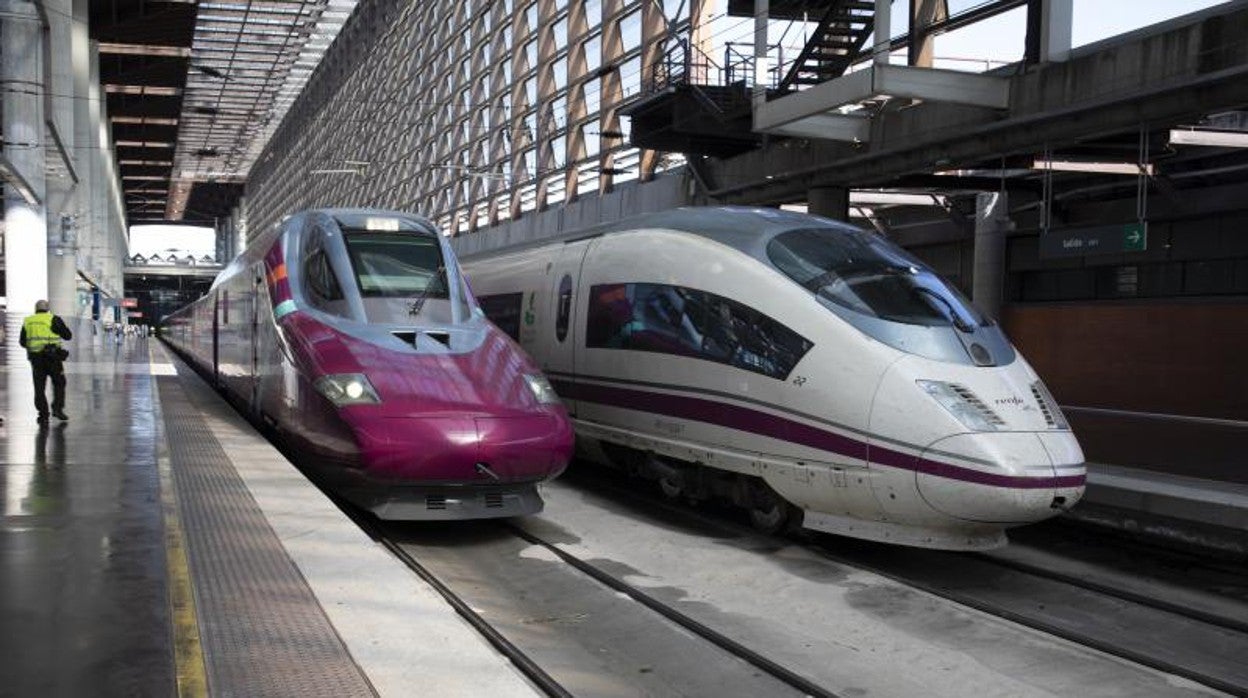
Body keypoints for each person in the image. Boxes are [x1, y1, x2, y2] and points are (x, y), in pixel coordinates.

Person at [19, 299, 72, 424]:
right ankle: (57, 409)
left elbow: (22, 342)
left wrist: (34, 346)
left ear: (35, 309)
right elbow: (68, 336)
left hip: (36, 359)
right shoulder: (53, 319)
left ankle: (43, 415)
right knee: (59, 383)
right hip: (52, 359)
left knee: (39, 387)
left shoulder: (28, 321)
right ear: (47, 309)